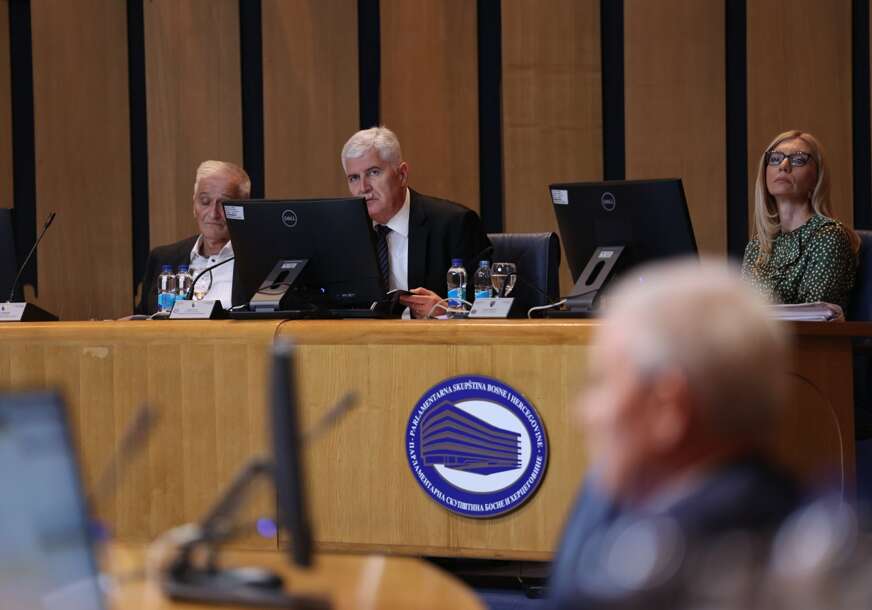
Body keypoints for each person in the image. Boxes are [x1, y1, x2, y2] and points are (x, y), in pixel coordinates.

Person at [548, 259, 801, 609]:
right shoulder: (798, 526)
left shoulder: (644, 585)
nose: (584, 413)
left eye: (602, 382)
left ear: (667, 409)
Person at [341, 126, 491, 318]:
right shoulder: (344, 235)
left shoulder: (455, 225)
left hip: (433, 336)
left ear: (402, 174)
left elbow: (490, 307)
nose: (363, 187)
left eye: (373, 172)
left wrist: (447, 311)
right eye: (354, 178)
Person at [742, 130, 859, 312]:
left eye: (798, 159)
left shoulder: (828, 236)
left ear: (816, 178)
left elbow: (812, 315)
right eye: (775, 159)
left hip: (806, 332)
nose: (784, 166)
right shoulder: (757, 245)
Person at [135, 160, 250, 315]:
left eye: (223, 204)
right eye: (205, 202)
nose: (213, 214)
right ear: (194, 205)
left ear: (243, 208)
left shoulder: (260, 262)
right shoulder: (163, 258)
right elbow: (144, 318)